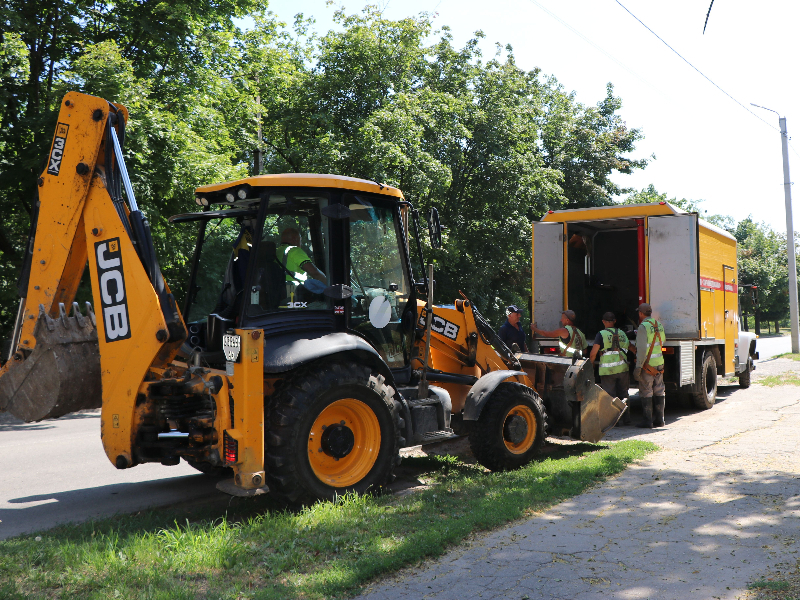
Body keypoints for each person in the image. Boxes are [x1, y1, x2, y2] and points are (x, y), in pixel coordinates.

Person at [589, 312, 632, 426]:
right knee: (624, 394)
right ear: (615, 321)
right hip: (623, 369)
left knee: (610, 396)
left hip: (608, 371)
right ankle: (626, 419)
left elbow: (593, 353)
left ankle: (614, 421)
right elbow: (630, 347)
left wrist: (591, 364)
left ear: (603, 321)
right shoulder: (622, 333)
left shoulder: (601, 334)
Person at [633, 302, 666, 428]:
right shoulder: (659, 325)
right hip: (659, 364)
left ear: (641, 313)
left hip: (648, 365)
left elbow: (641, 350)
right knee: (659, 390)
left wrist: (638, 367)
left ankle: (647, 421)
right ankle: (660, 420)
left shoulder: (643, 327)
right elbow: (663, 340)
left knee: (646, 391)